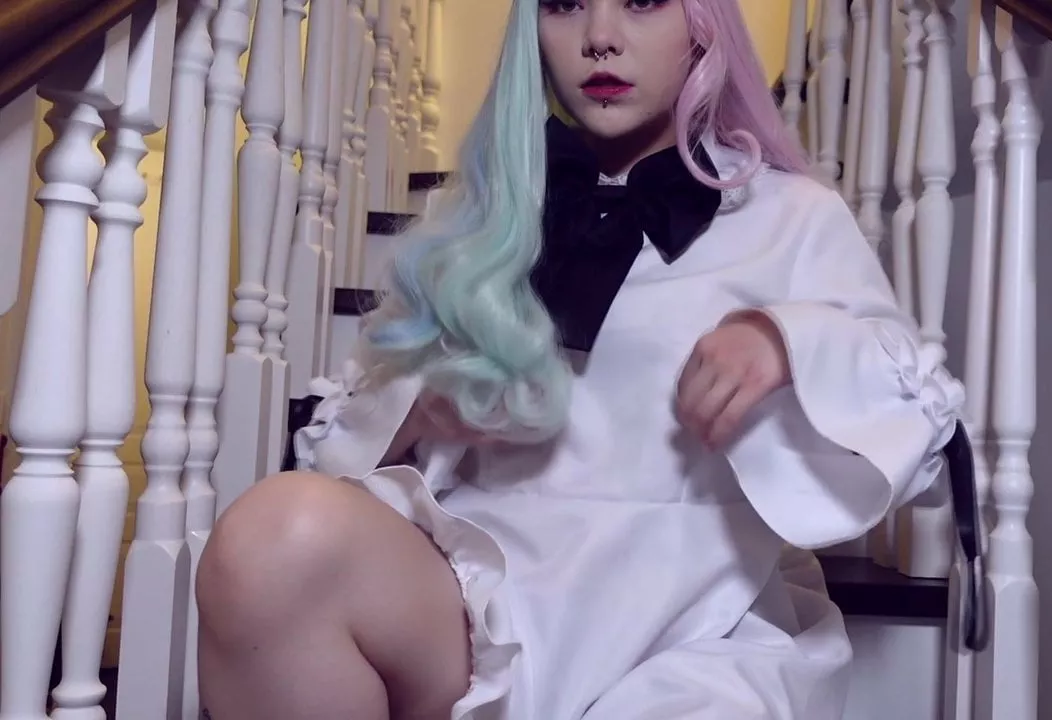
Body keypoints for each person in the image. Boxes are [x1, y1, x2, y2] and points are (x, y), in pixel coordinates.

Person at [195, 0, 964, 718]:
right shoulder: (478, 221)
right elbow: (340, 447)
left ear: (702, 24)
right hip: (484, 601)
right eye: (564, 4)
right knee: (271, 541)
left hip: (698, 620)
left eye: (641, 0)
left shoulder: (791, 216)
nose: (599, 37)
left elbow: (911, 423)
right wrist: (421, 408)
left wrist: (786, 342)